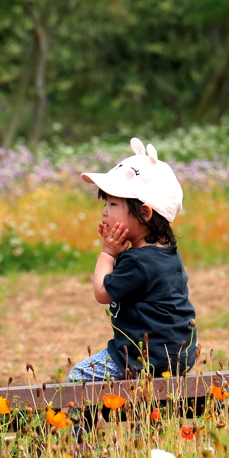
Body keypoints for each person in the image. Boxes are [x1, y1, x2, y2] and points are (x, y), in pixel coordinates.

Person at [69, 138, 196, 382]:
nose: (105, 211)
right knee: (146, 402)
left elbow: (102, 293)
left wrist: (107, 252)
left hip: (141, 356)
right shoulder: (167, 254)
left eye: (114, 203)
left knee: (80, 378)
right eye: (105, 203)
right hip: (177, 354)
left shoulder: (138, 261)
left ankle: (82, 423)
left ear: (145, 213)